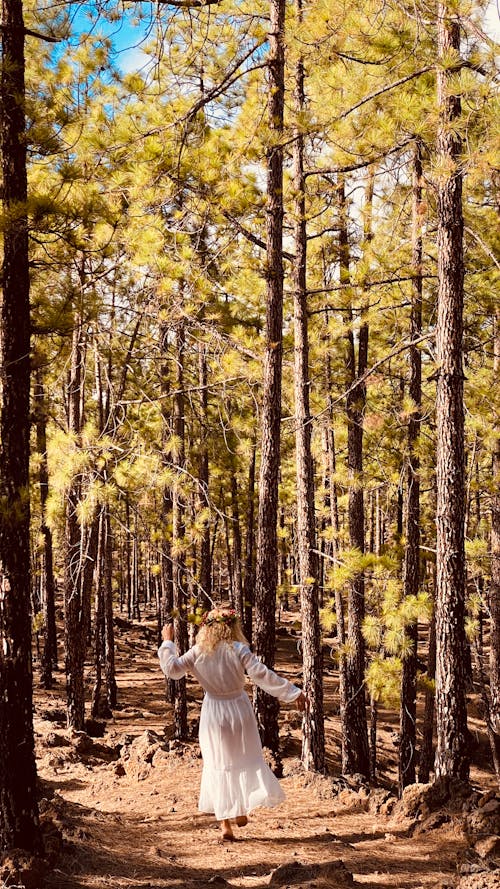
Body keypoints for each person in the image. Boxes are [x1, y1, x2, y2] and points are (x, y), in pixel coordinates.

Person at [158, 608, 306, 841]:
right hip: (239, 709)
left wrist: (168, 643)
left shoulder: (198, 652)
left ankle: (225, 822)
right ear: (231, 627)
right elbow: (262, 675)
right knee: (243, 758)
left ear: (206, 628)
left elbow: (172, 669)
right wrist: (293, 692)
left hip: (214, 712)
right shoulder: (238, 650)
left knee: (218, 762)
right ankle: (239, 810)